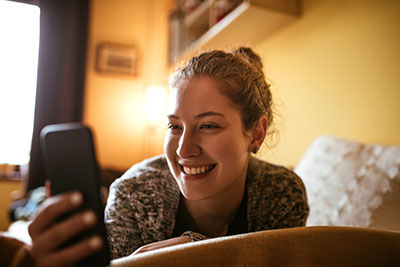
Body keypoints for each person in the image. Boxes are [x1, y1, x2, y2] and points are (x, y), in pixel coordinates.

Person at [27, 47, 309, 265]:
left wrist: (195, 246)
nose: (184, 150)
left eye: (208, 125)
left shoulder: (281, 193)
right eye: (175, 126)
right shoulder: (131, 195)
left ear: (257, 133)